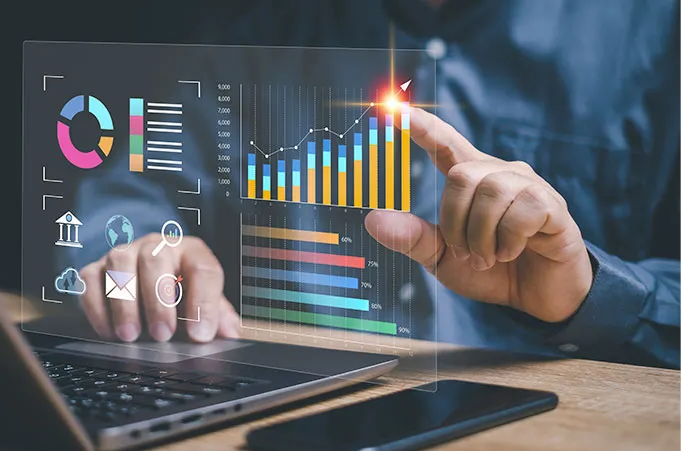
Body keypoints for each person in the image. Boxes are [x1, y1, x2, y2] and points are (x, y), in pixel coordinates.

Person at [68, 0, 679, 368]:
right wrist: (142, 253)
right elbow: (125, 198)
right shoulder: (251, 26)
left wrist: (590, 295)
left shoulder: (654, 32)